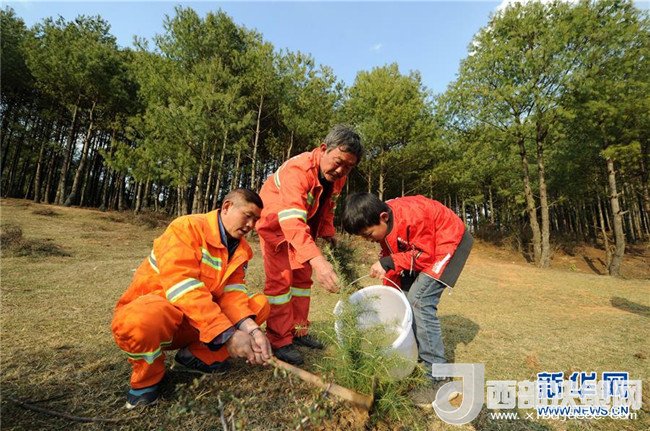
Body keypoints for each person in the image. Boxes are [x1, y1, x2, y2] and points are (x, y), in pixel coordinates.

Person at [112, 188, 271, 409]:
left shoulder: (242, 249)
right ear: (227, 207)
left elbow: (233, 295)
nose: (251, 225)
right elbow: (183, 287)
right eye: (248, 215)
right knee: (143, 319)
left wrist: (253, 331)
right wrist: (229, 335)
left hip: (199, 323)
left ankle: (193, 357)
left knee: (259, 305)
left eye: (256, 220)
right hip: (161, 318)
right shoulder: (186, 228)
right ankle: (146, 381)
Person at [341, 192, 473, 408]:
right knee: (405, 297)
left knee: (419, 301)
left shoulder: (413, 217)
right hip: (424, 249)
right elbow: (395, 263)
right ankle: (417, 357)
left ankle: (439, 379)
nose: (368, 240)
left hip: (448, 243)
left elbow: (426, 256)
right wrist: (390, 294)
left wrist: (388, 262)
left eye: (368, 234)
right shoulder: (385, 224)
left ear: (383, 217)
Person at [256, 125, 363, 365]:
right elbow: (291, 220)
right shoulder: (298, 170)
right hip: (276, 226)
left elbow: (328, 207)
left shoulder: (338, 178)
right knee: (281, 282)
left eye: (348, 167)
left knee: (302, 281)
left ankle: (298, 331)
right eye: (338, 162)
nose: (340, 170)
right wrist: (319, 261)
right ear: (324, 149)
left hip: (303, 229)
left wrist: (328, 233)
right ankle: (279, 339)